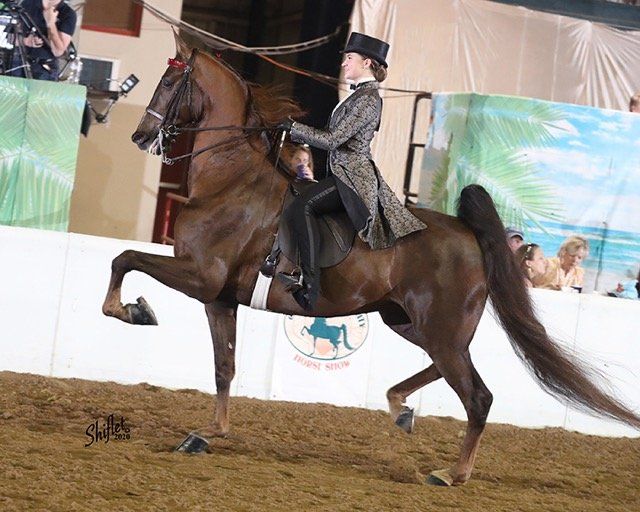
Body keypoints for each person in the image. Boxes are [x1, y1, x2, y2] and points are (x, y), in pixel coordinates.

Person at [277, 32, 427, 310]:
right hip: (341, 173)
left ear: (367, 62)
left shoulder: (369, 100)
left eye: (349, 58)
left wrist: (294, 128)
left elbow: (333, 139)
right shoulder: (358, 97)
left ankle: (309, 285)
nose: (344, 64)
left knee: (302, 207)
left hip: (353, 180)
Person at [9, 0, 76, 81]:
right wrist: (25, 41)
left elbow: (58, 51)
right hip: (15, 63)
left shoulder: (68, 14)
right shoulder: (22, 4)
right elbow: (4, 37)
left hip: (45, 69)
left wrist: (50, 23)